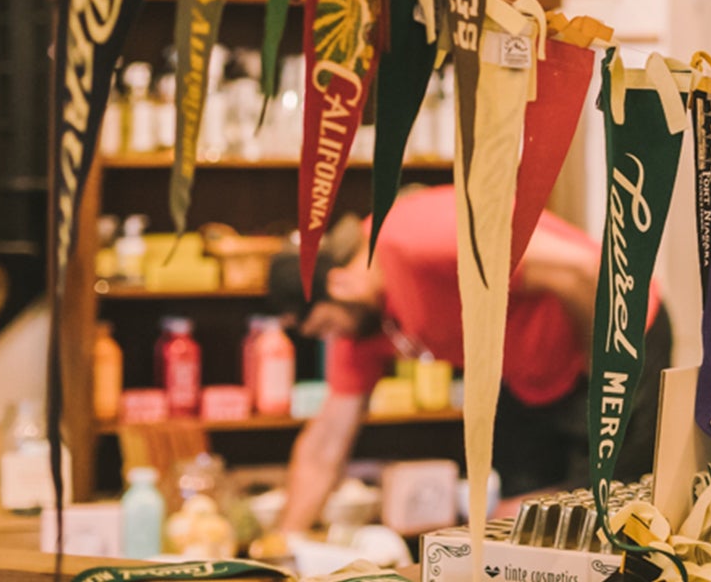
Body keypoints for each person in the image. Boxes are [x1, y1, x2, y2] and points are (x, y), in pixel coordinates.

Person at [266, 184, 669, 534]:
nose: (332, 340)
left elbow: (584, 270)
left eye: (325, 327)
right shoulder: (361, 325)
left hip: (617, 338)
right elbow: (325, 444)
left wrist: (597, 376)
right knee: (515, 522)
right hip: (528, 375)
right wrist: (283, 545)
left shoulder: (418, 241)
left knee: (614, 512)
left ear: (340, 284)